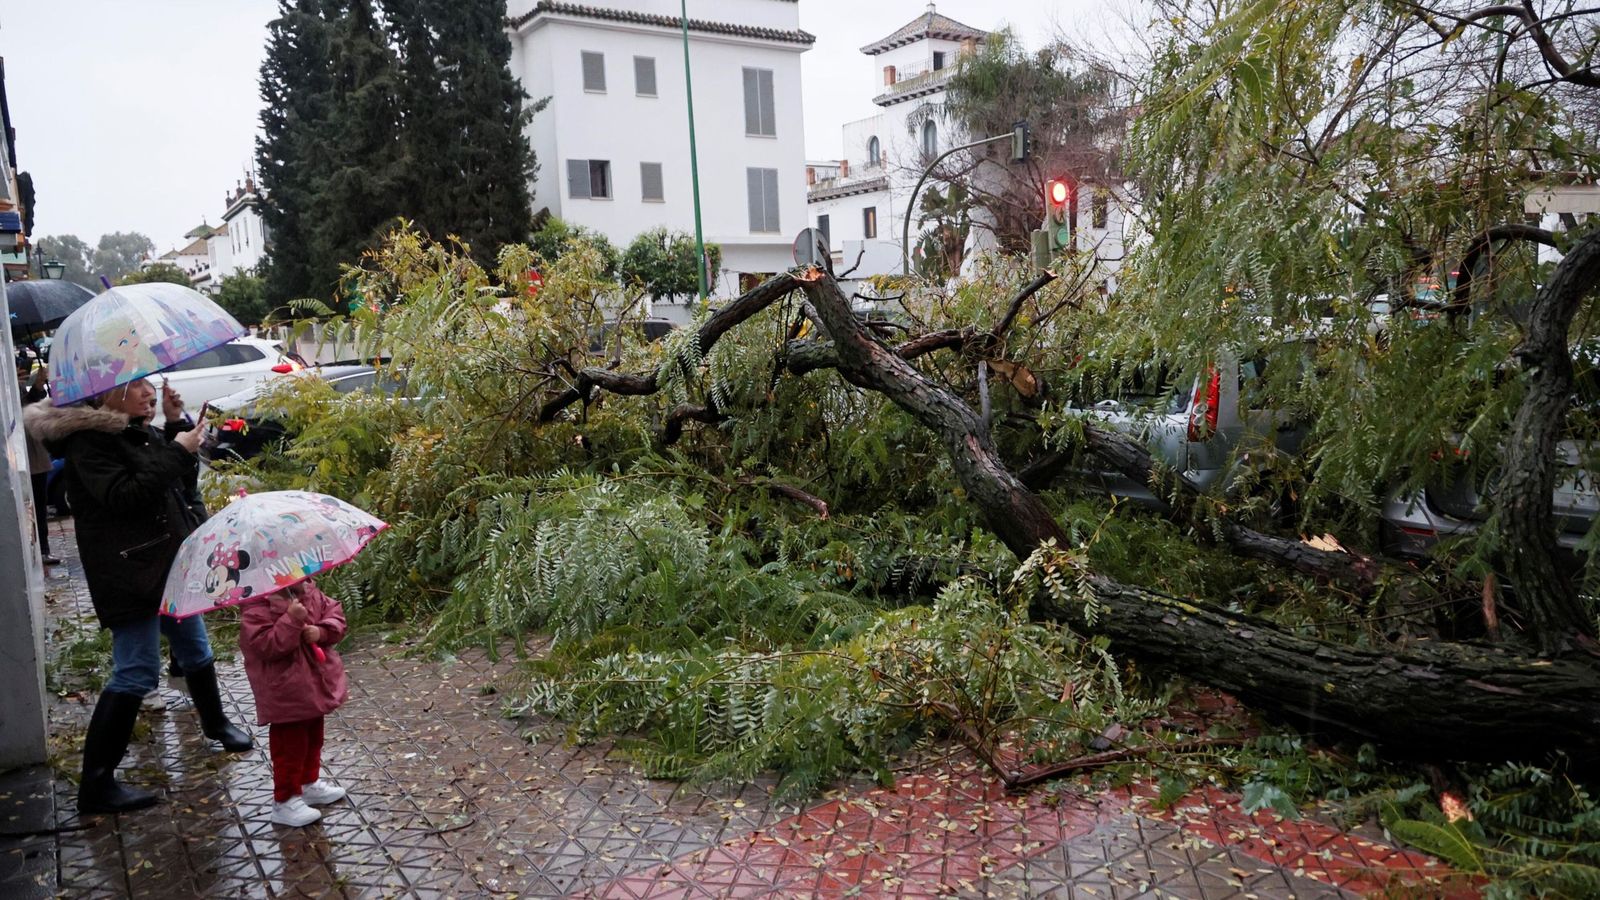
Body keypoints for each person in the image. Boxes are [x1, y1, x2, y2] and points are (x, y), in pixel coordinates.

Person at [26, 377, 254, 814]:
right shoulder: (89, 443)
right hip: (129, 572)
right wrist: (176, 450)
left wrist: (175, 426)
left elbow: (176, 482)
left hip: (165, 564)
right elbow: (125, 496)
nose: (149, 392)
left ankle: (216, 724)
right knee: (136, 670)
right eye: (136, 386)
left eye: (149, 384)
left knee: (196, 648)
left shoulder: (135, 431)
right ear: (105, 395)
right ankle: (96, 784)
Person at [239, 578, 350, 827]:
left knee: (313, 738)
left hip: (313, 682)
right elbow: (265, 646)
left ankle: (308, 783)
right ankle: (285, 800)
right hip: (285, 690)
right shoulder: (256, 607)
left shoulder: (307, 590)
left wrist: (321, 631)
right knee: (290, 747)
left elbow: (335, 614)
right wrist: (291, 619)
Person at [16, 352, 59, 565]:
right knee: (26, 509)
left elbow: (32, 405)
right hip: (20, 454)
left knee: (39, 507)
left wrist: (39, 384)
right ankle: (34, 549)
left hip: (35, 456)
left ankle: (43, 548)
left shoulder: (23, 388)